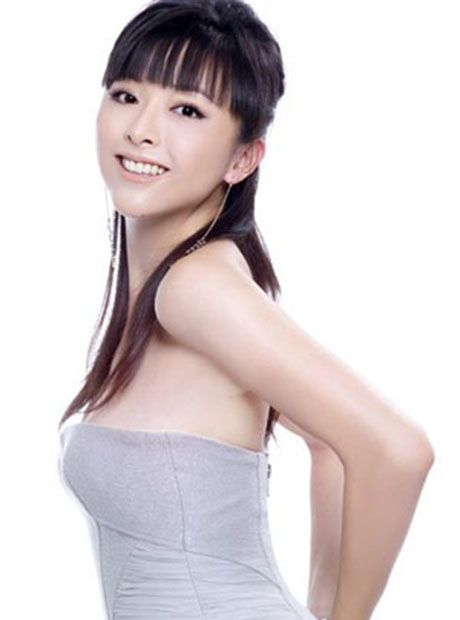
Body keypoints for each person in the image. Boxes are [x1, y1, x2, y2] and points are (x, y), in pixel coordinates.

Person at [57, 1, 435, 619]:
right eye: (126, 95)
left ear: (243, 158)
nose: (141, 129)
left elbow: (396, 450)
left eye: (187, 110)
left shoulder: (194, 288)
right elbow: (329, 442)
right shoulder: (190, 282)